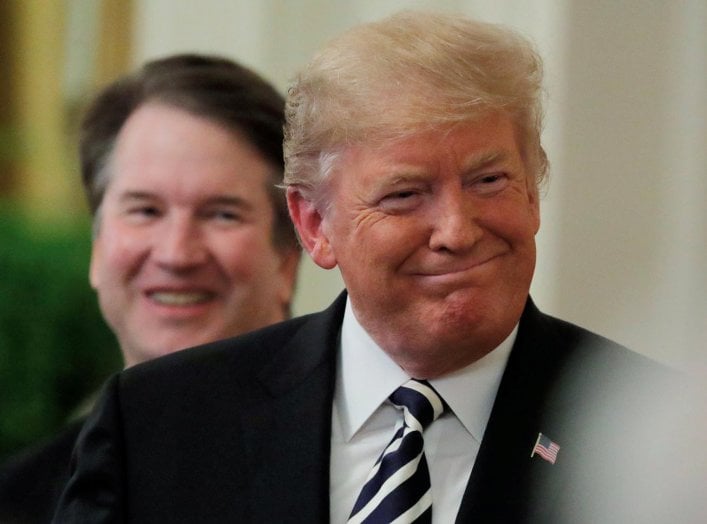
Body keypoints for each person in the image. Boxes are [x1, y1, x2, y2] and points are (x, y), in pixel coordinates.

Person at [52, 12, 687, 523]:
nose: (457, 231)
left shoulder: (654, 438)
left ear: (534, 193)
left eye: (490, 180)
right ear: (313, 225)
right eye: (405, 195)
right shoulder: (160, 427)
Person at [0, 53, 300, 524]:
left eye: (222, 213)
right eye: (144, 210)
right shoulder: (19, 501)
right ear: (99, 247)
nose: (177, 254)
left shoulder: (369, 472)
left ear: (289, 256)